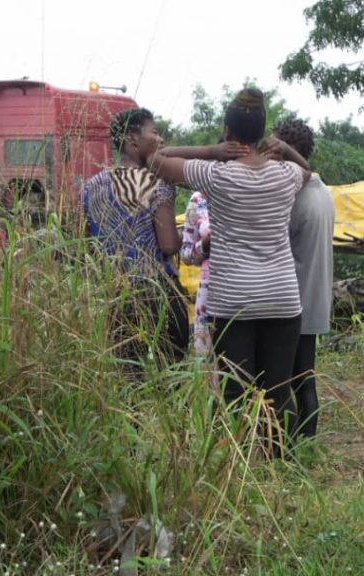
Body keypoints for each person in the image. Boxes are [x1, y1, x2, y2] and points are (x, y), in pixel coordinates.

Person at [145, 88, 311, 455]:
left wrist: (212, 151)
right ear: (263, 132)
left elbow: (155, 160)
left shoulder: (214, 176)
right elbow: (309, 170)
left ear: (228, 131)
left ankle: (243, 468)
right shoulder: (285, 175)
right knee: (278, 390)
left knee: (237, 391)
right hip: (282, 299)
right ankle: (279, 461)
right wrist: (283, 149)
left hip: (233, 301)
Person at [82, 108, 190, 371]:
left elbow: (87, 245)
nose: (161, 140)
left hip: (116, 298)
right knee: (169, 381)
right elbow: (167, 245)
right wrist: (185, 234)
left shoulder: (91, 186)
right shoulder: (157, 182)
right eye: (155, 133)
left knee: (128, 381)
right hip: (159, 297)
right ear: (133, 139)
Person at [277, 118, 336, 440]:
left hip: (293, 302)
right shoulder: (323, 190)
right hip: (315, 298)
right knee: (306, 378)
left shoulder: (296, 197)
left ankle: (291, 445)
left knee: (285, 381)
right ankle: (307, 443)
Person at [180, 187, 215, 383]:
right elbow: (185, 253)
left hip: (248, 292)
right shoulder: (199, 199)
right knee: (209, 370)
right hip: (208, 297)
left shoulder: (253, 188)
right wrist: (204, 246)